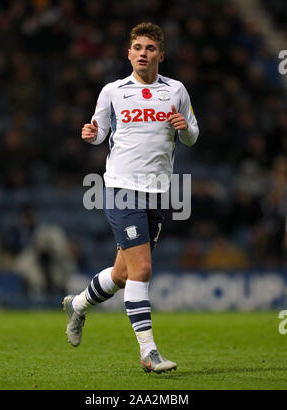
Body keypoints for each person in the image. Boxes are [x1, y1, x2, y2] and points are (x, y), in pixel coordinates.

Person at [63, 22, 199, 373]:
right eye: (137, 47)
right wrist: (90, 134)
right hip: (122, 189)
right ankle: (148, 352)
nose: (143, 53)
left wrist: (185, 127)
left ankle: (77, 305)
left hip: (159, 192)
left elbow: (192, 136)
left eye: (150, 48)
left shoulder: (177, 90)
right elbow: (99, 133)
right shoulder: (113, 91)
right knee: (143, 269)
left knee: (124, 274)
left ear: (160, 55)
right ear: (129, 53)